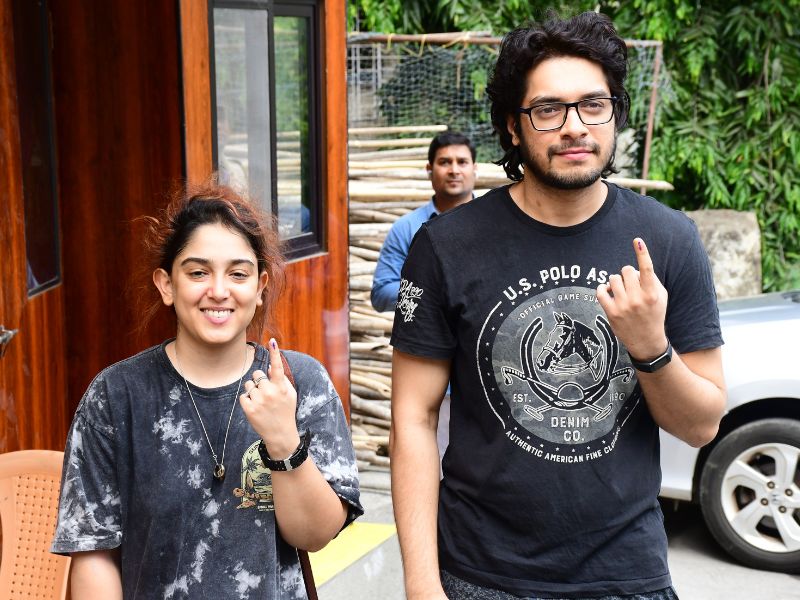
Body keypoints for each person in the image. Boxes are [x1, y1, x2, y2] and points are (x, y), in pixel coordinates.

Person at [389, 11, 726, 600]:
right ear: (513, 127)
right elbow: (413, 419)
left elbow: (701, 426)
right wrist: (421, 583)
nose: (574, 127)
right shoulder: (445, 246)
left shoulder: (668, 240)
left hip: (626, 574)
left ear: (615, 114)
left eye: (593, 105)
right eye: (548, 109)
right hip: (480, 574)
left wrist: (651, 348)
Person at [51, 182, 363, 599]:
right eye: (198, 272)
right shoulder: (115, 397)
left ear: (260, 286)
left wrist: (284, 441)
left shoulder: (299, 383)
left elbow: (316, 534)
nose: (218, 290)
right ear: (167, 284)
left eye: (238, 274)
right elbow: (94, 552)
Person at [371, 131, 477, 468]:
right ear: (429, 169)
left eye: (462, 162)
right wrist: (434, 293)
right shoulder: (407, 228)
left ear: (475, 169)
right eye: (445, 162)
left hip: (482, 370)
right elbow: (381, 292)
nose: (454, 169)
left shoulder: (495, 226)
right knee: (431, 467)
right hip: (427, 372)